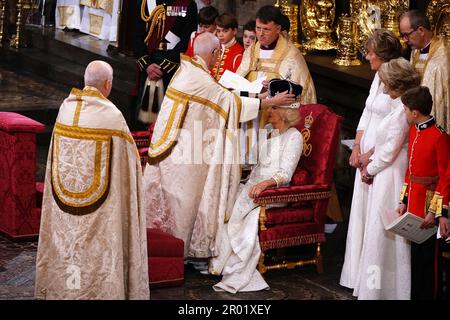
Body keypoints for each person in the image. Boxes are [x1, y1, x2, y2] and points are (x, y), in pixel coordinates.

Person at [143, 32, 296, 259]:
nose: (218, 59)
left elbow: (222, 96)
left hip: (178, 146)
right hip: (186, 151)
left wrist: (258, 96)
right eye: (217, 55)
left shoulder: (189, 69)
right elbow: (228, 104)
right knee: (183, 202)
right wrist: (270, 102)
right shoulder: (199, 78)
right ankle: (177, 252)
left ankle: (164, 251)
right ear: (214, 53)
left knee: (173, 203)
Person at [35, 61, 149, 300]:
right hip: (101, 209)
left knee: (68, 247)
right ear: (107, 84)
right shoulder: (112, 116)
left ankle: (61, 291)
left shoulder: (65, 109)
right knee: (96, 252)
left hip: (64, 205)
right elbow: (129, 164)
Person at [209, 79, 303, 293]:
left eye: (274, 107)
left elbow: (285, 174)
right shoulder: (268, 130)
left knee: (248, 220)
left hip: (273, 192)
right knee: (224, 205)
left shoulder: (294, 137)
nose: (268, 110)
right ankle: (220, 264)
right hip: (252, 186)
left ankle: (236, 267)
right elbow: (251, 162)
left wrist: (264, 184)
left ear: (286, 111)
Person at [353, 57, 420, 300]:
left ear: (397, 84)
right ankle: (373, 287)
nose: (382, 88)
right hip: (383, 171)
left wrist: (368, 170)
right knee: (376, 235)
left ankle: (386, 291)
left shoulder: (403, 112)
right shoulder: (399, 106)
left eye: (386, 84)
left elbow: (390, 151)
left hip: (390, 176)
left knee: (384, 235)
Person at [340, 29, 403, 290]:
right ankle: (357, 277)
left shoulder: (398, 77)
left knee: (377, 224)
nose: (367, 56)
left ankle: (375, 284)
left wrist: (370, 156)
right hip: (365, 157)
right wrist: (356, 146)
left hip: (383, 159)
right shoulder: (378, 76)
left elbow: (396, 127)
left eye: (370, 52)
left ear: (383, 54)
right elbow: (367, 112)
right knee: (361, 218)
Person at [396, 86, 450, 300]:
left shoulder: (439, 137)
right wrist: (403, 200)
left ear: (415, 112)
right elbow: (410, 170)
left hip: (430, 206)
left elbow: (446, 179)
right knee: (416, 260)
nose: (404, 113)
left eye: (406, 109)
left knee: (430, 262)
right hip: (413, 205)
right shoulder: (414, 131)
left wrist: (435, 212)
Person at [134, 0, 198, 127]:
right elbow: (137, 36)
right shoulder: (146, 3)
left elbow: (186, 40)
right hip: (149, 59)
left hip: (171, 65)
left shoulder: (187, 4)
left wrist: (163, 67)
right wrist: (147, 65)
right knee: (141, 118)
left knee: (166, 116)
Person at [399, 10, 450, 132]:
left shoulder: (443, 57)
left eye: (407, 35)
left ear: (421, 31)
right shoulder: (415, 51)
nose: (405, 40)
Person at [211, 13, 244, 80]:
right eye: (218, 31)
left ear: (234, 31)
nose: (220, 35)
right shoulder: (213, 48)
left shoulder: (240, 52)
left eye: (225, 31)